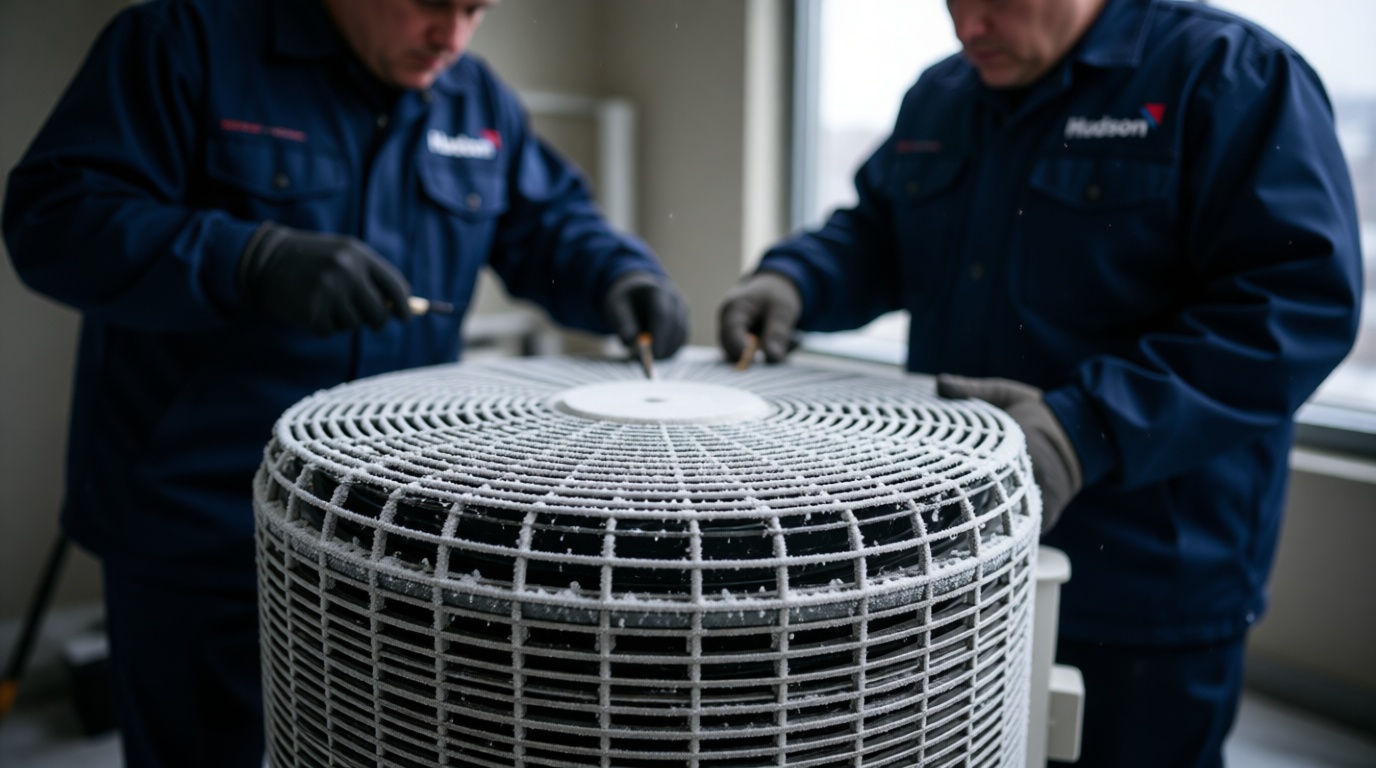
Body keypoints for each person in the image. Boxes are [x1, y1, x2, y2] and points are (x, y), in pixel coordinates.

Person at [3, 0, 688, 765]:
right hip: (199, 527)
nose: (452, 35)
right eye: (432, 2)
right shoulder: (181, 43)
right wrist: (248, 260)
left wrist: (619, 275)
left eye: (476, 8)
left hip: (389, 533)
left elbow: (551, 225)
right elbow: (55, 220)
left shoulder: (474, 98)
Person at [718, 0, 1362, 765]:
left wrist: (1083, 429)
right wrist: (796, 281)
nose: (968, 28)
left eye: (995, 2)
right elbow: (877, 235)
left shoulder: (1231, 75)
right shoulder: (943, 95)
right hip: (954, 567)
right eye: (953, 1)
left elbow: (1293, 307)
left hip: (1142, 586)